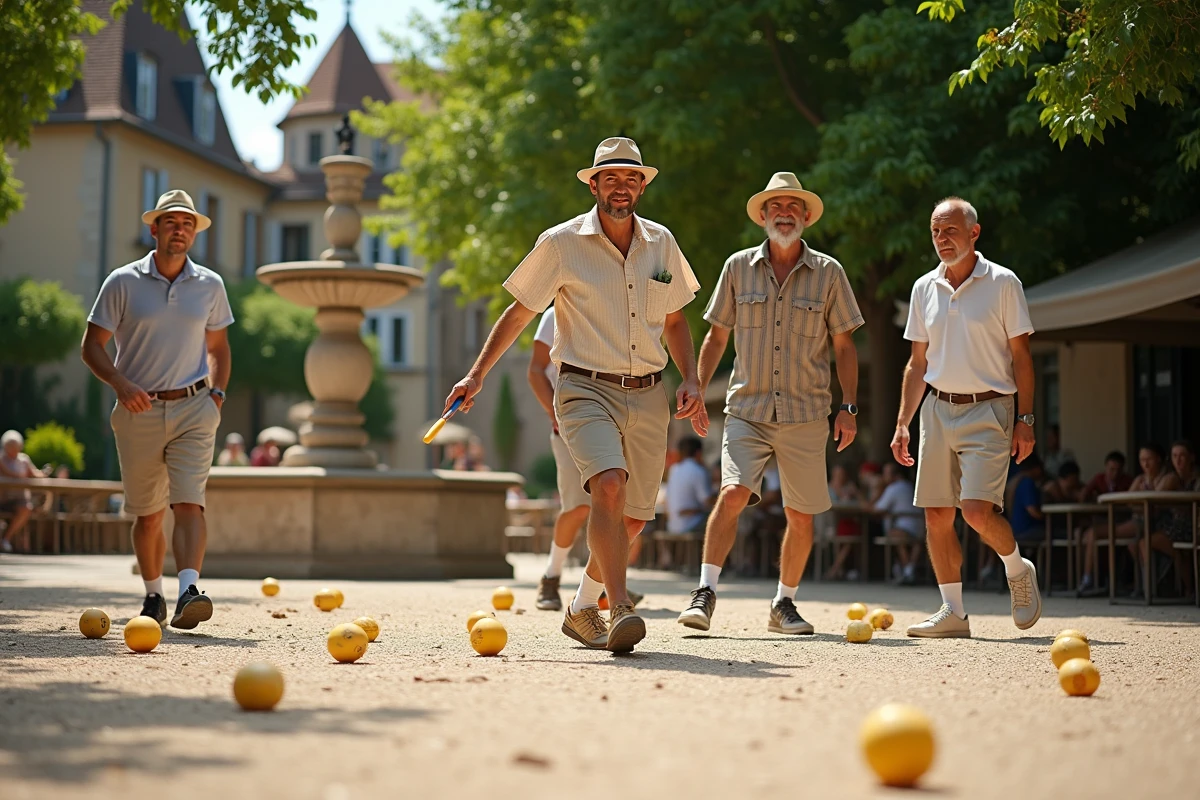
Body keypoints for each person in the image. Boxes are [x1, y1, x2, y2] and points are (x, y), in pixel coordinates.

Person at [443, 137, 703, 653]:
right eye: (610, 178)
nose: (621, 187)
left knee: (632, 517)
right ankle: (620, 606)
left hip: (650, 393)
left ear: (643, 185)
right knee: (607, 485)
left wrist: (692, 378)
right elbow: (518, 313)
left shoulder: (662, 243)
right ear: (593, 184)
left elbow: (675, 321)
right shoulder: (560, 244)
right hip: (584, 387)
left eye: (631, 178)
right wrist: (476, 375)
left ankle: (583, 605)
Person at [678, 172, 864, 635]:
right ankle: (705, 593)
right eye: (776, 206)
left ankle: (784, 604)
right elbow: (717, 335)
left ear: (805, 217)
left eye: (793, 207)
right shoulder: (738, 267)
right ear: (763, 216)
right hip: (748, 410)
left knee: (801, 515)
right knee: (733, 493)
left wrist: (850, 407)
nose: (784, 213)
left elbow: (844, 347)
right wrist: (697, 386)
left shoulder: (829, 273)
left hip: (806, 412)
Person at [81, 189, 232, 630]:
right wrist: (121, 384)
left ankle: (189, 590)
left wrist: (217, 396)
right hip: (138, 410)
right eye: (171, 222)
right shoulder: (122, 282)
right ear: (155, 229)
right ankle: (154, 595)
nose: (180, 230)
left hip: (194, 408)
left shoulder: (210, 285)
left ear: (194, 232)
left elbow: (219, 347)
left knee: (190, 503)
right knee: (147, 515)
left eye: (187, 224)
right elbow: (92, 346)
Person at [891, 197, 1041, 639]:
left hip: (990, 407)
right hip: (936, 409)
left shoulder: (1003, 283)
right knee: (936, 514)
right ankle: (953, 612)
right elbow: (917, 364)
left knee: (975, 512)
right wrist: (902, 422)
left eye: (951, 230)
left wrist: (1026, 419)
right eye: (936, 231)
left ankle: (1017, 568)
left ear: (974, 233)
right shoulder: (923, 288)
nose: (942, 239)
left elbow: (1023, 357)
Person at [528, 304, 591, 611]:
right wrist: (553, 411)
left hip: (616, 417)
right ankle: (551, 577)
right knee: (578, 508)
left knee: (620, 507)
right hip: (568, 424)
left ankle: (602, 583)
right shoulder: (555, 314)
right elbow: (536, 370)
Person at [1076, 451, 1134, 594]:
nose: (1113, 473)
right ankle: (1088, 578)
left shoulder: (1128, 481)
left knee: (1092, 534)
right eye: (1111, 469)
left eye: (1117, 470)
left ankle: (1090, 578)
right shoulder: (1099, 479)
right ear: (1105, 467)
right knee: (1082, 535)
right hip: (1102, 520)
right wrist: (1094, 500)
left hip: (1122, 521)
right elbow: (1083, 496)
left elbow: (1131, 503)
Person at [873, 462, 925, 584]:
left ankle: (906, 568)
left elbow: (877, 509)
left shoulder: (893, 488)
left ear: (894, 475)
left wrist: (877, 490)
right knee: (915, 541)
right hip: (920, 526)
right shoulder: (910, 486)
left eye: (886, 474)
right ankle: (909, 569)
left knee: (894, 536)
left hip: (903, 528)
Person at [0, 430, 49, 553]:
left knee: (26, 508)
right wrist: (22, 475)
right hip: (2, 498)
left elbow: (35, 474)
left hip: (20, 499)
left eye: (15, 447)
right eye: (10, 447)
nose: (13, 450)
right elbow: (9, 473)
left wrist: (43, 473)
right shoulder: (1, 459)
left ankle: (6, 538)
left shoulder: (24, 460)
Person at [823, 464, 863, 581]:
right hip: (829, 525)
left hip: (844, 521)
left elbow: (862, 504)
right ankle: (836, 570)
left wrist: (855, 492)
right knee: (848, 535)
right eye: (838, 475)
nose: (840, 477)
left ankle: (837, 570)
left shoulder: (849, 489)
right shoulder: (826, 489)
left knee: (851, 533)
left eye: (842, 475)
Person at [666, 436, 713, 535]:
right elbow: (707, 500)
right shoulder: (698, 470)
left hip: (672, 526)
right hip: (691, 525)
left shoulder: (673, 469)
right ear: (699, 453)